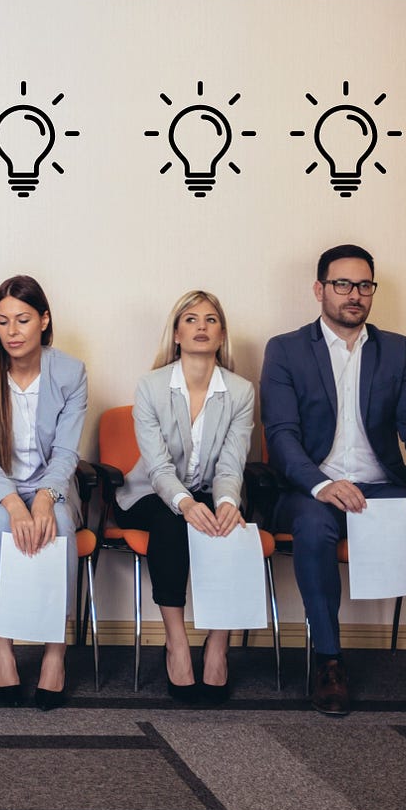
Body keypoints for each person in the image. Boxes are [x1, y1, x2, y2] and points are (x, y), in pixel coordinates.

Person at [262, 243, 406, 719]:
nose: (353, 295)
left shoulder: (396, 350)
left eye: (363, 285)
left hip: (383, 488)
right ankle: (330, 663)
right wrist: (320, 484)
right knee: (314, 528)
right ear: (319, 289)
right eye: (342, 284)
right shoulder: (286, 350)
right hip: (312, 491)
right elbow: (281, 435)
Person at [0, 275, 85, 711]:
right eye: (3, 321)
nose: (12, 331)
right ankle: (1, 646)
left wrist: (45, 497)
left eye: (23, 320)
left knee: (60, 525)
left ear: (44, 321)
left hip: (52, 484)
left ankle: (54, 653)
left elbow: (66, 452)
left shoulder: (70, 372)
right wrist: (12, 502)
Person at [114, 290, 253, 705]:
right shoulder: (152, 387)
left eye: (211, 320)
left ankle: (217, 645)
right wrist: (187, 504)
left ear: (222, 333)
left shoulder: (241, 392)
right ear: (176, 333)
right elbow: (157, 468)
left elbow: (231, 466)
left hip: (212, 491)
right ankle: (176, 643)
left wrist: (226, 504)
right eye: (191, 320)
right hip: (150, 495)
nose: (201, 328)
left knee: (231, 526)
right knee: (173, 521)